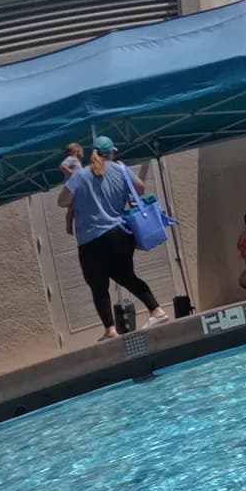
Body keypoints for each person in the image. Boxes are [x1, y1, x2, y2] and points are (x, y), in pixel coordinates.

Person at [56, 136, 166, 341]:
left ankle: (111, 330)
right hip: (119, 235)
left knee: (99, 287)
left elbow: (62, 201)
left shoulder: (79, 176)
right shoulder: (121, 169)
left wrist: (81, 196)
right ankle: (157, 311)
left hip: (91, 241)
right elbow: (140, 189)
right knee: (127, 276)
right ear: (111, 152)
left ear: (93, 152)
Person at [59, 143, 85, 236]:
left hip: (75, 188)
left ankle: (69, 226)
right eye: (81, 150)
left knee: (72, 208)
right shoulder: (71, 159)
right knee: (71, 208)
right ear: (76, 150)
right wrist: (73, 175)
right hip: (72, 188)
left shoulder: (76, 161)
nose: (83, 152)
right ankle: (69, 226)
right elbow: (62, 166)